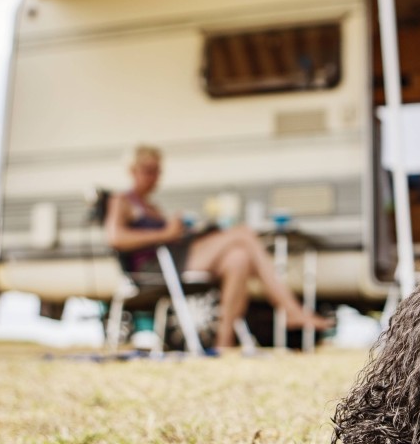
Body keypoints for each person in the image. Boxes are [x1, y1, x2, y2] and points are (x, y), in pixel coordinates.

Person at [104, 144, 331, 350]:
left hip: (173, 258)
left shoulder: (152, 206)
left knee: (238, 258)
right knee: (243, 234)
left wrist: (183, 233)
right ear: (132, 170)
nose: (154, 177)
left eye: (157, 171)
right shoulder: (122, 201)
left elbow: (166, 236)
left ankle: (224, 342)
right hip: (153, 269)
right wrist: (165, 233)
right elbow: (116, 238)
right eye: (148, 170)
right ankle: (290, 309)